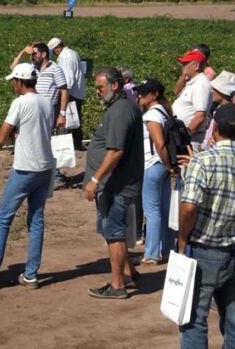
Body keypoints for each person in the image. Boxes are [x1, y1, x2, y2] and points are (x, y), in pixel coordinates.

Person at [177, 103, 235, 348]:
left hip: (206, 250)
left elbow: (190, 206)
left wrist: (183, 239)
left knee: (194, 319)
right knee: (234, 318)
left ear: (214, 128)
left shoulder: (202, 163)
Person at [0, 62, 54, 291]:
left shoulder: (20, 102)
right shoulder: (47, 101)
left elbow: (1, 137)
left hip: (25, 167)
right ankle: (31, 274)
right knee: (36, 219)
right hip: (45, 167)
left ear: (20, 82)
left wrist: (12, 135)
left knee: (3, 218)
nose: (13, 84)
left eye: (14, 80)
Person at [83, 68, 143, 300]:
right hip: (118, 183)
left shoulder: (119, 111)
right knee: (114, 230)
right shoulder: (123, 107)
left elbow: (116, 151)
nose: (97, 92)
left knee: (114, 233)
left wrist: (95, 180)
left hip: (116, 184)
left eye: (100, 87)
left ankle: (117, 285)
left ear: (114, 85)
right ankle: (130, 272)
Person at [13, 42, 69, 188]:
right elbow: (13, 69)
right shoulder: (32, 69)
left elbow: (64, 91)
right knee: (33, 141)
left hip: (49, 112)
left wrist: (62, 114)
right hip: (33, 111)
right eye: (31, 54)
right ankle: (30, 173)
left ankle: (56, 176)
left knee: (49, 143)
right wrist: (22, 52)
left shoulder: (56, 69)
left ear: (44, 54)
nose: (32, 56)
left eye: (34, 53)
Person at [135, 79, 174, 264]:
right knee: (164, 210)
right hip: (162, 167)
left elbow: (159, 143)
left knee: (152, 211)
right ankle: (167, 249)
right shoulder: (164, 112)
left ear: (154, 95)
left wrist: (166, 164)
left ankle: (151, 253)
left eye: (143, 93)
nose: (139, 96)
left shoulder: (152, 115)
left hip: (152, 165)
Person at [48, 38, 86, 150]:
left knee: (68, 119)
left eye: (53, 51)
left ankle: (69, 145)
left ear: (57, 48)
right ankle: (77, 143)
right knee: (75, 118)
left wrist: (64, 93)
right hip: (77, 92)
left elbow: (68, 79)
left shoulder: (65, 57)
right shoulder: (72, 53)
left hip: (71, 92)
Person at [172, 49, 212, 150]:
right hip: (185, 138)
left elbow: (200, 115)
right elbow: (176, 91)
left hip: (190, 140)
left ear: (196, 66)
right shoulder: (193, 82)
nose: (183, 67)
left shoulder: (201, 84)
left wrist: (185, 134)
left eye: (185, 64)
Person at [202, 70, 235, 149]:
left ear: (222, 92)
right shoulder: (217, 109)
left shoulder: (230, 115)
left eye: (214, 88)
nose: (211, 90)